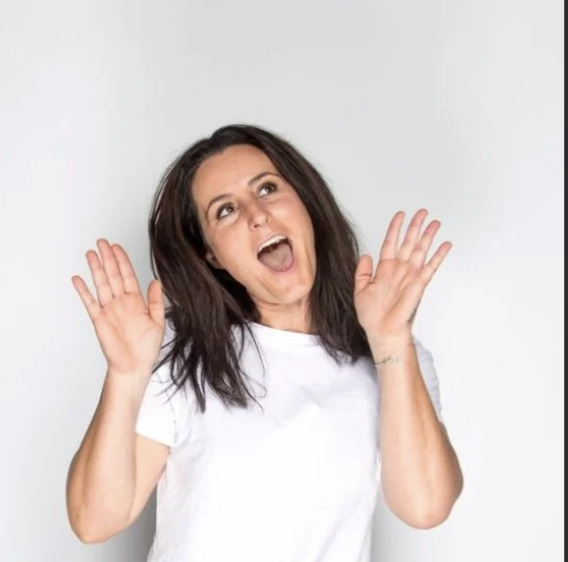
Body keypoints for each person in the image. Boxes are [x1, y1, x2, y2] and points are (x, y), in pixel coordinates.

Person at [65, 124, 463, 562]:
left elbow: (425, 505)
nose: (257, 214)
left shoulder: (392, 355)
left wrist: (390, 343)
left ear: (305, 203)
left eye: (268, 188)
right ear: (210, 254)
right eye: (225, 211)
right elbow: (94, 519)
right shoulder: (180, 352)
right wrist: (125, 376)